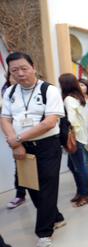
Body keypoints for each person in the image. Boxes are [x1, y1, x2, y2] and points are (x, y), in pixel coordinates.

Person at [1, 52, 65, 247]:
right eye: (14, 70)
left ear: (33, 67)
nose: (20, 73)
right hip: (24, 148)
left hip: (48, 145)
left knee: (47, 187)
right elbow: (5, 119)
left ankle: (44, 233)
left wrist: (19, 138)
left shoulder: (49, 90)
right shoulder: (10, 92)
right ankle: (56, 217)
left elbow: (50, 122)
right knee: (30, 186)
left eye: (23, 68)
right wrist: (16, 143)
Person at [59, 74, 88, 207]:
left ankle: (84, 195)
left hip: (75, 137)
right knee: (73, 165)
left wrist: (72, 134)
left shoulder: (68, 99)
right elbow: (86, 118)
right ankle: (80, 192)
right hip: (81, 136)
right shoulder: (80, 97)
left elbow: (71, 119)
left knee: (79, 167)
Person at [1, 71, 27, 209]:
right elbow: (5, 119)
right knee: (20, 167)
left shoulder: (32, 90)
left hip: (32, 135)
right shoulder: (7, 94)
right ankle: (20, 194)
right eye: (12, 75)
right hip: (16, 137)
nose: (17, 76)